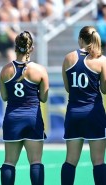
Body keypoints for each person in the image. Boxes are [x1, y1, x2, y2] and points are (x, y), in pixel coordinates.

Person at [0, 31, 49, 185]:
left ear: (15, 48)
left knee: (9, 162)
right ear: (31, 48)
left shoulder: (5, 70)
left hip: (13, 118)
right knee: (35, 161)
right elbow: (43, 98)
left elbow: (5, 97)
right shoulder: (39, 70)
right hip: (32, 118)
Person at [61, 26, 106, 185]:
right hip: (94, 113)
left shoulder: (68, 58)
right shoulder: (101, 59)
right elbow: (104, 89)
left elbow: (68, 88)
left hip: (74, 112)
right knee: (98, 161)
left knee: (70, 161)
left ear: (80, 39)